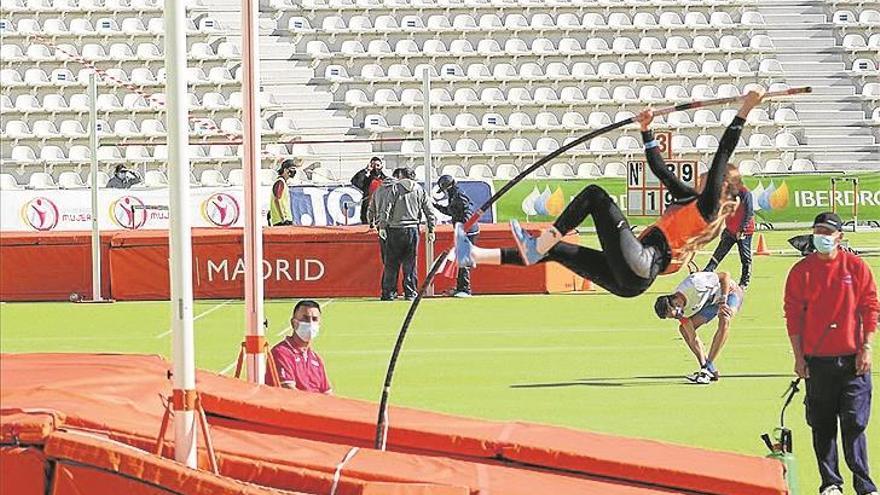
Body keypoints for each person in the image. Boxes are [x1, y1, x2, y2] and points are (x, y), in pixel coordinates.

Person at [455, 89, 766, 298]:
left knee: (595, 195)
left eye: (708, 176)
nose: (700, 176)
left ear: (720, 183)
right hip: (631, 281)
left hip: (642, 264)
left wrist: (746, 109)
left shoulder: (709, 208)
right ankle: (476, 256)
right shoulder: (690, 199)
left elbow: (723, 152)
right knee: (553, 251)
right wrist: (646, 129)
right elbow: (660, 169)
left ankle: (541, 243)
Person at [784, 212, 877, 495]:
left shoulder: (856, 267)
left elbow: (870, 307)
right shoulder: (802, 271)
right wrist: (798, 357)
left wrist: (867, 346)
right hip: (818, 361)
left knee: (855, 423)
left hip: (853, 360)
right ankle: (830, 483)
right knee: (822, 426)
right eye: (818, 230)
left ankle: (864, 485)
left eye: (827, 231)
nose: (822, 236)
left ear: (840, 236)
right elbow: (793, 316)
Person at [654, 271, 744, 384]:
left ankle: (709, 364)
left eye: (676, 315)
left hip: (730, 294)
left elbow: (725, 275)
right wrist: (703, 365)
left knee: (724, 318)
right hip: (711, 303)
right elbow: (693, 337)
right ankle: (708, 369)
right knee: (684, 329)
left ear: (675, 302)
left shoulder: (695, 283)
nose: (679, 316)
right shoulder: (681, 312)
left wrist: (723, 301)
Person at [379, 167, 435, 301]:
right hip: (413, 229)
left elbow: (387, 208)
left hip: (395, 228)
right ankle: (410, 291)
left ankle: (389, 292)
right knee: (410, 263)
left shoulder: (395, 188)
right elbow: (429, 211)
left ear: (401, 176)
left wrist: (382, 226)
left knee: (391, 263)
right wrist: (431, 229)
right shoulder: (420, 190)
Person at [266, 300, 332, 394]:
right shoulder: (281, 352)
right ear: (293, 323)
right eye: (305, 318)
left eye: (314, 319)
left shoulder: (316, 359)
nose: (310, 323)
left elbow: (327, 393)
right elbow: (288, 390)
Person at [703, 181, 755, 289]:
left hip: (744, 230)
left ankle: (744, 282)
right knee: (719, 252)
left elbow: (749, 212)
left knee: (745, 257)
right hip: (730, 229)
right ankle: (707, 273)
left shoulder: (745, 193)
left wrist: (742, 229)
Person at [434, 174, 480, 297]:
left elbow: (467, 212)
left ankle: (465, 289)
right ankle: (461, 287)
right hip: (464, 230)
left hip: (468, 231)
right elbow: (451, 211)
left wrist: (463, 229)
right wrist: (435, 206)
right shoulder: (454, 195)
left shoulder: (459, 195)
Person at [368, 169, 399, 300]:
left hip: (383, 228)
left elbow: (371, 209)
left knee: (388, 262)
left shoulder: (378, 190)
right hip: (396, 226)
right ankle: (406, 290)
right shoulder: (397, 190)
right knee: (404, 262)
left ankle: (387, 291)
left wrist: (372, 223)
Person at [351, 156, 387, 224]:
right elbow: (355, 181)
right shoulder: (367, 180)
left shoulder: (385, 180)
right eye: (373, 165)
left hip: (382, 208)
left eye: (378, 165)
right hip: (368, 207)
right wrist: (366, 170)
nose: (376, 167)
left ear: (381, 166)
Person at [268, 159, 296, 226]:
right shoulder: (280, 182)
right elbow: (276, 200)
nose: (294, 171)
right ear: (285, 170)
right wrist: (283, 217)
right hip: (281, 220)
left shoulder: (282, 182)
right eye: (292, 169)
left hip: (283, 219)